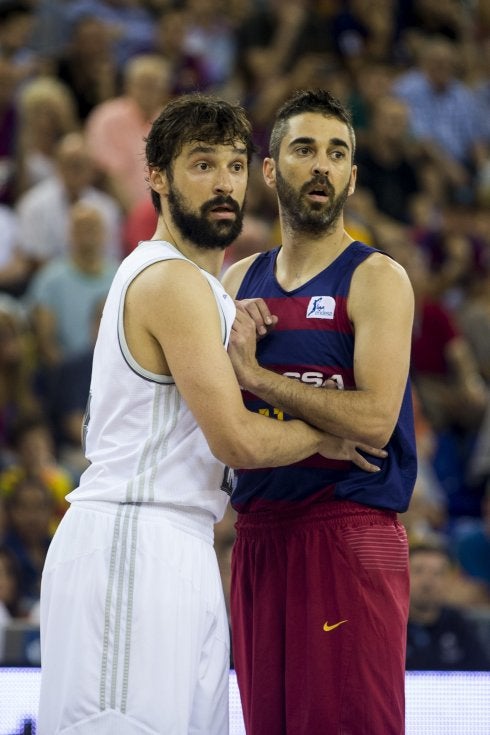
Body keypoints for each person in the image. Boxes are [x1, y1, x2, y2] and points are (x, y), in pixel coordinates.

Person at [37, 93, 386, 735]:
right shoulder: (169, 281)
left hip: (186, 545)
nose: (224, 182)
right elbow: (237, 441)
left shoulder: (212, 293)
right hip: (130, 543)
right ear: (157, 177)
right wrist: (327, 437)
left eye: (234, 165)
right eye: (202, 164)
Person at [222, 89, 418, 735]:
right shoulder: (234, 284)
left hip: (349, 530)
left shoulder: (377, 278)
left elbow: (373, 420)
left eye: (338, 153)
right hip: (259, 535)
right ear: (272, 168)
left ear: (353, 176)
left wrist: (256, 375)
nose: (322, 166)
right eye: (305, 149)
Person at [406, 539, 490, 671]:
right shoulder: (387, 626)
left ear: (449, 580)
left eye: (437, 573)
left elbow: (482, 675)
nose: (427, 581)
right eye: (418, 571)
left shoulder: (459, 624)